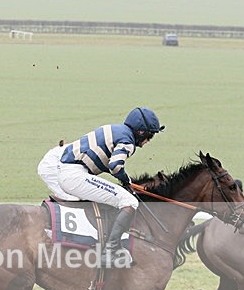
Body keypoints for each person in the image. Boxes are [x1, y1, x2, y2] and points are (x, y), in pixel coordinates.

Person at [56, 107, 164, 266]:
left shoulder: (115, 129)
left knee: (116, 196)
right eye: (150, 135)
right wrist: (126, 180)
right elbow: (115, 166)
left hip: (69, 171)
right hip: (75, 175)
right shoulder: (128, 141)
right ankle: (110, 251)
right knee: (130, 202)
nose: (149, 140)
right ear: (141, 132)